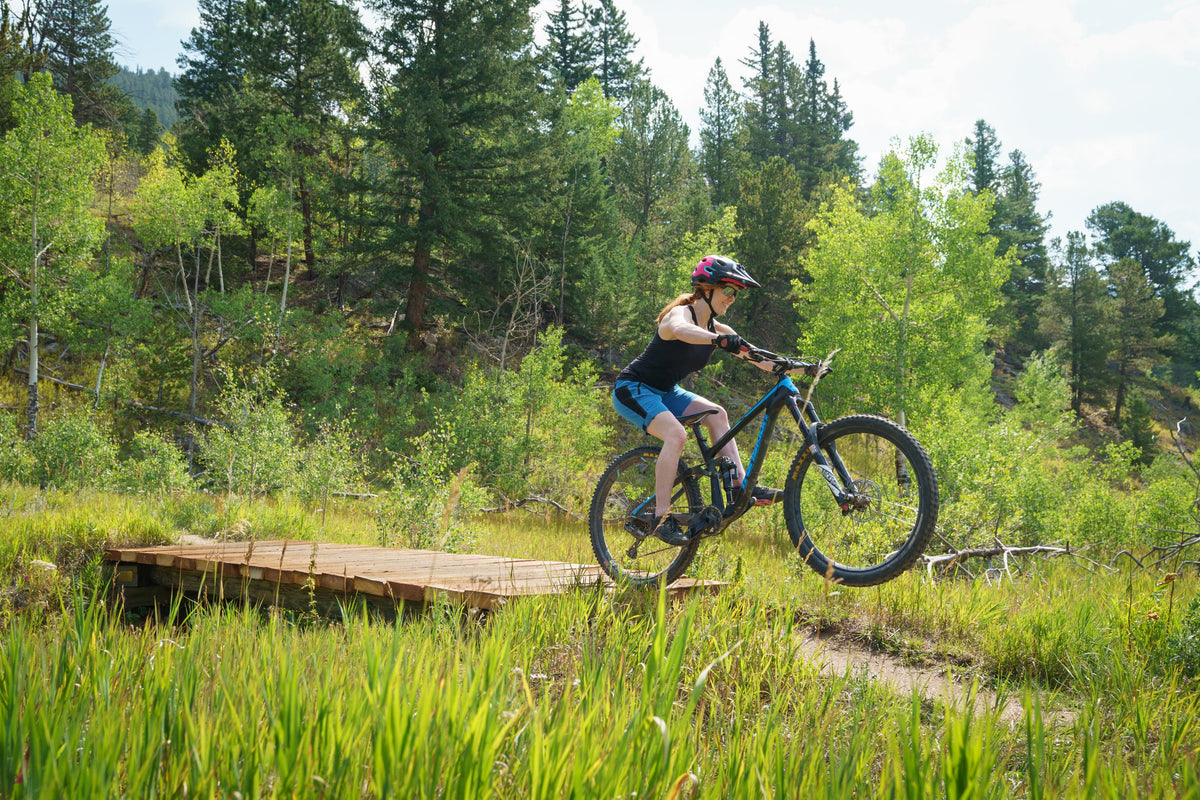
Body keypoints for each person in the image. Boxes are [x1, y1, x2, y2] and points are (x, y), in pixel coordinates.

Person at [611, 255, 819, 546]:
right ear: (706, 288)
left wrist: (804, 368)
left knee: (717, 413)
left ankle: (742, 486)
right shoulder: (680, 315)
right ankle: (661, 516)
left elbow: (760, 358)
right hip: (633, 388)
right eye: (729, 291)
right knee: (676, 434)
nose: (732, 299)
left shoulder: (721, 331)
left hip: (666, 391)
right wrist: (715, 340)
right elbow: (685, 332)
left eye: (737, 293)